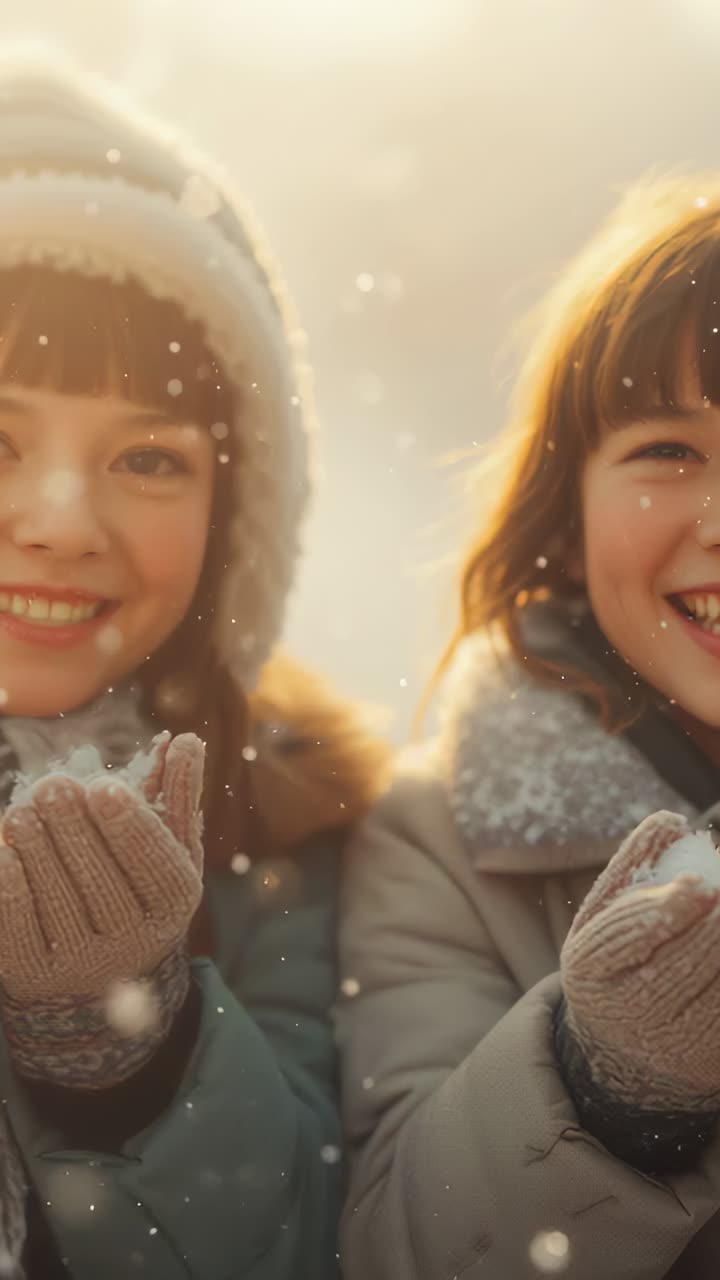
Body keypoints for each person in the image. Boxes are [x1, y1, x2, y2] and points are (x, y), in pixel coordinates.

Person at [0, 53, 388, 1280]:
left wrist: (130, 1049)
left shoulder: (279, 828)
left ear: (237, 520)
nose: (62, 520)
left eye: (148, 459)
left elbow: (304, 1238)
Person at [337, 174, 720, 1279]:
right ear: (567, 508)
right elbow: (395, 1248)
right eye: (668, 451)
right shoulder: (444, 838)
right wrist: (610, 1094)